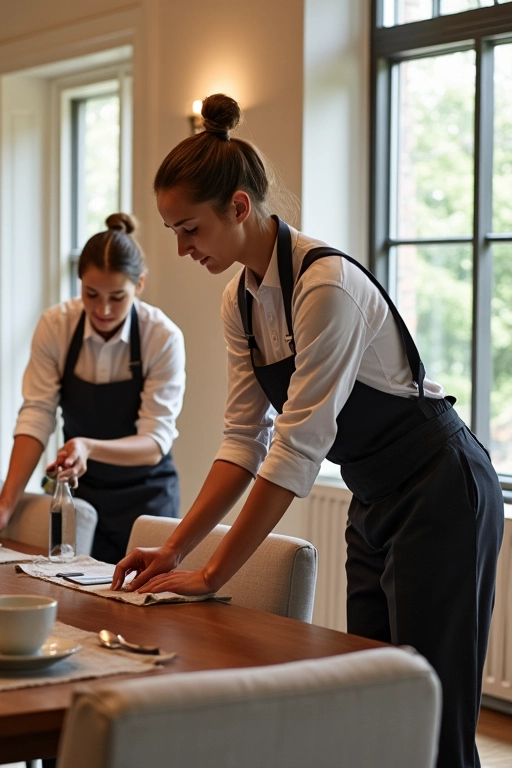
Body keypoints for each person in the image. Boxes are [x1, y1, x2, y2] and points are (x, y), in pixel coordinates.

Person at [111, 94, 503, 768]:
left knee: (432, 717)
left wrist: (211, 572)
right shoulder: (240, 299)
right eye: (173, 231)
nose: (180, 250)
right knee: (376, 701)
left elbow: (296, 448)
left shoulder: (327, 286)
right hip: (375, 497)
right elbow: (243, 441)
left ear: (238, 207)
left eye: (190, 229)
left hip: (442, 490)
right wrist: (176, 550)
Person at [0, 213, 185, 564]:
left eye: (117, 297)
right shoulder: (56, 326)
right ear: (78, 282)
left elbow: (154, 443)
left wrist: (87, 447)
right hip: (78, 496)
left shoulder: (162, 336)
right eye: (91, 294)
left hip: (148, 500)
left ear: (140, 284)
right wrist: (6, 503)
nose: (103, 309)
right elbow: (37, 415)